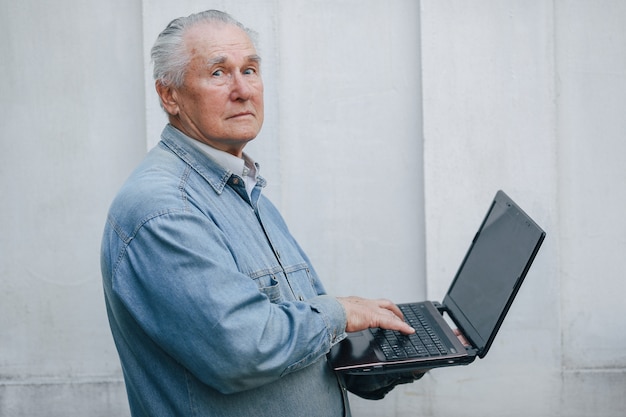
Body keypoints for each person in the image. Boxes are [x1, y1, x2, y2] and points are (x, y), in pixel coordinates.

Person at [101, 10, 424, 417]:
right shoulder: (165, 210)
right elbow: (243, 350)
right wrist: (341, 314)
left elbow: (294, 342)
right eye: (218, 73)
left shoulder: (243, 189)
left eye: (250, 70)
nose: (242, 90)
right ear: (170, 96)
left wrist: (387, 360)